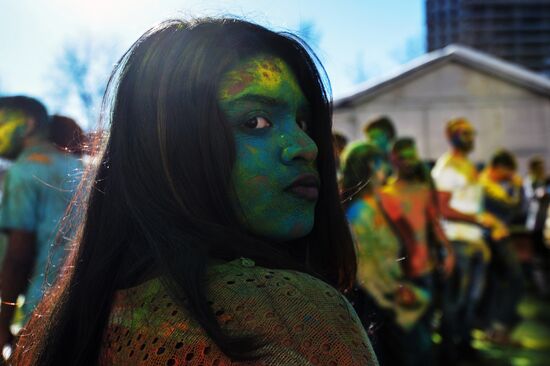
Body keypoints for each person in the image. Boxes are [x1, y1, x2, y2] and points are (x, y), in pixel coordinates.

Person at [13, 18, 378, 365]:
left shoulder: (54, 327)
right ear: (168, 150)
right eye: (256, 122)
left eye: (303, 122)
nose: (306, 146)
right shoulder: (294, 313)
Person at [0, 97, 82, 351]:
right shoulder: (78, 167)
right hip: (86, 305)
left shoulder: (24, 171)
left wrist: (3, 324)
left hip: (41, 313)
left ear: (28, 124)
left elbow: (18, 256)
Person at [341, 141, 432, 366]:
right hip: (379, 303)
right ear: (371, 166)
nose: (387, 171)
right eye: (382, 165)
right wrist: (395, 293)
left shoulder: (371, 204)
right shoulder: (361, 211)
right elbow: (367, 268)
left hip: (385, 297)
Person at [431, 117, 505, 362]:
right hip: (457, 242)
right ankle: (449, 352)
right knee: (455, 301)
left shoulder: (467, 165)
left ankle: (464, 344)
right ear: (450, 135)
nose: (469, 137)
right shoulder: (448, 166)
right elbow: (441, 208)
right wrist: (478, 219)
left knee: (471, 300)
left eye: (471, 133)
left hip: (473, 242)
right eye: (463, 133)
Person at [479, 150, 524, 343]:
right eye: (506, 173)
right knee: (513, 280)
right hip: (490, 239)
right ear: (497, 168)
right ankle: (497, 327)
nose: (508, 177)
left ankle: (497, 328)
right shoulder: (482, 185)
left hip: (498, 238)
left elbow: (515, 211)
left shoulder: (500, 187)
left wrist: (516, 189)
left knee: (499, 284)